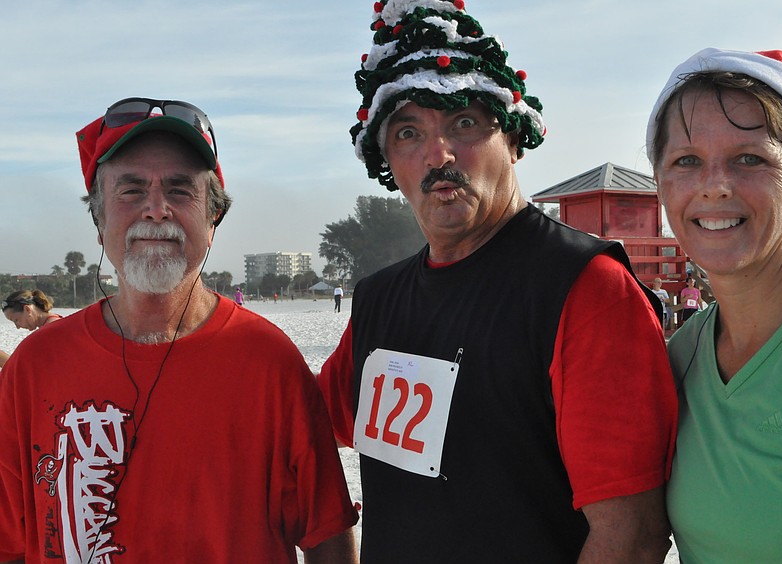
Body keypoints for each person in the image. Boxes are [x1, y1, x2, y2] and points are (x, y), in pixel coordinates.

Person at [317, 2, 678, 562]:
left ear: (512, 139)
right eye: (408, 132)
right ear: (386, 158)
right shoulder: (378, 299)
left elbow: (631, 536)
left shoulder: (586, 291)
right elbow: (308, 423)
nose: (439, 156)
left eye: (464, 123)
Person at [0, 98, 358, 563]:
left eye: (180, 189)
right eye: (130, 189)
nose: (155, 209)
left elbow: (327, 536)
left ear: (213, 222)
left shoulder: (269, 362)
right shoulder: (35, 366)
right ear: (98, 219)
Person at [647, 48, 782, 562]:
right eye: (687, 161)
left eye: (749, 159)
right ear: (661, 185)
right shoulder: (683, 352)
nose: (715, 185)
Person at [0, 290, 62, 368]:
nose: (17, 327)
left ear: (27, 309)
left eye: (16, 320)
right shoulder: (56, 323)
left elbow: (32, 370)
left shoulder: (49, 331)